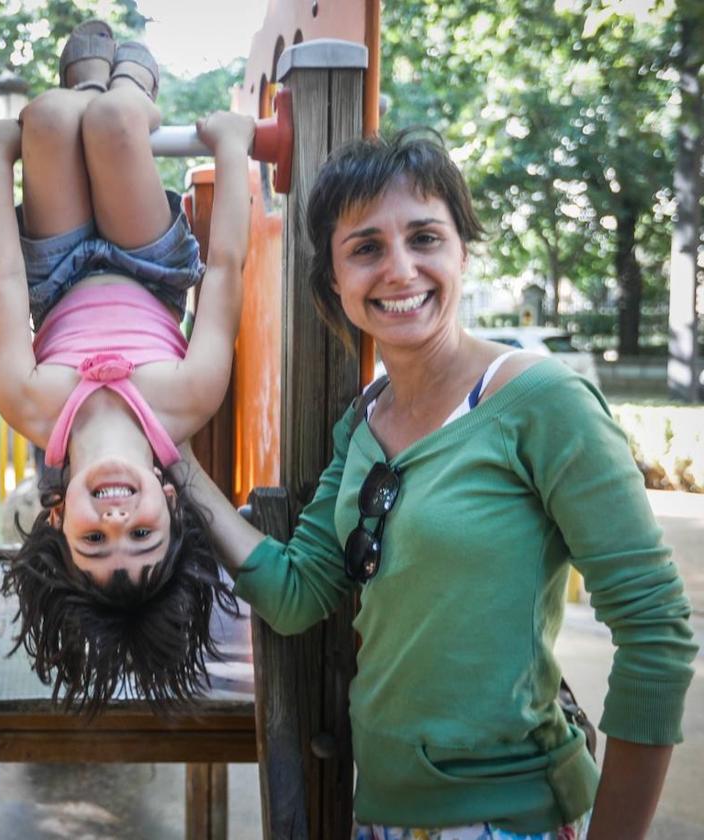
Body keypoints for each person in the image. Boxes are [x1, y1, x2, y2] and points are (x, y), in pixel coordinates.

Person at [171, 128, 698, 838]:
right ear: (333, 280)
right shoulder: (363, 424)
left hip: (509, 817)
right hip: (385, 816)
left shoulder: (540, 402)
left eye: (425, 237)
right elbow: (298, 596)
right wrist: (180, 467)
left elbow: (656, 632)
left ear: (462, 251)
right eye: (365, 248)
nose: (399, 269)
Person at [0, 21, 255, 715]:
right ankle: (131, 82)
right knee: (116, 123)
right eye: (141, 533)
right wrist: (233, 151)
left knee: (43, 119)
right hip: (147, 263)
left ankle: (87, 81)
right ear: (171, 502)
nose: (116, 516)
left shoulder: (29, 402)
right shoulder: (187, 399)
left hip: (54, 273)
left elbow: (5, 279)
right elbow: (223, 274)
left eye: (94, 539)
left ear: (56, 519)